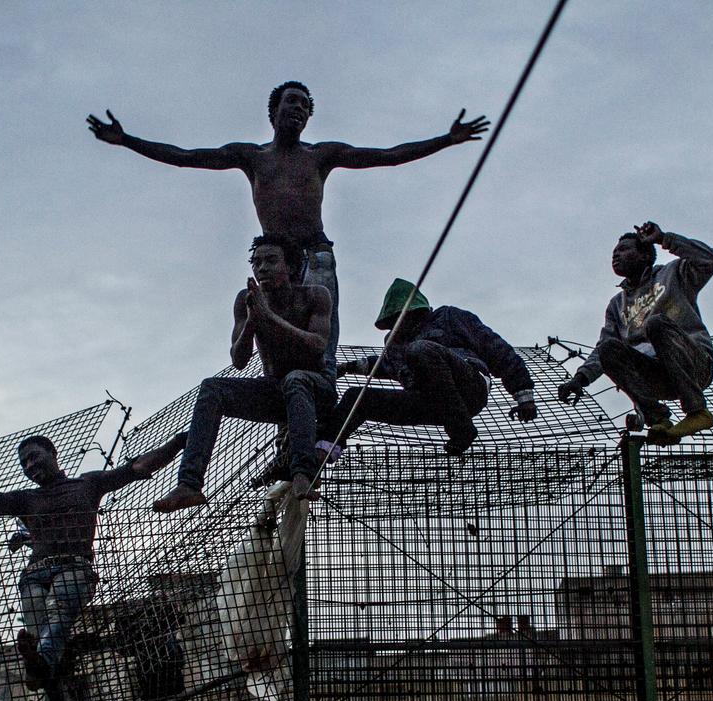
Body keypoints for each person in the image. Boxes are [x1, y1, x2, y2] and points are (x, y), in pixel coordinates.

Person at [87, 82, 489, 379]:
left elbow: (386, 156)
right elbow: (186, 157)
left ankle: (325, 384)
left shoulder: (320, 155)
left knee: (321, 330)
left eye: (304, 105)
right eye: (290, 102)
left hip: (314, 252)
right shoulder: (252, 157)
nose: (297, 109)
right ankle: (283, 399)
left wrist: (446, 141)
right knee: (271, 329)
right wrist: (126, 141)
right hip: (276, 260)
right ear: (274, 113)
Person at [0, 415, 185, 696]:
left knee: (59, 608)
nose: (30, 465)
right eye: (24, 463)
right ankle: (43, 664)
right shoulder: (25, 499)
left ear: (52, 453)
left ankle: (40, 665)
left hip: (75, 567)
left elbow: (138, 467)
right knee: (38, 620)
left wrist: (180, 441)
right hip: (34, 573)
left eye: (34, 457)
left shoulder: (87, 484)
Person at [153, 237, 334, 512]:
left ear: (291, 266)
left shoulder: (315, 295)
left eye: (271, 260)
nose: (262, 268)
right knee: (212, 388)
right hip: (274, 391)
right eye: (257, 262)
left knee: (295, 378)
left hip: (315, 389)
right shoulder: (247, 299)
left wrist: (269, 318)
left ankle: (303, 474)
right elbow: (238, 360)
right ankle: (189, 483)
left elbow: (317, 346)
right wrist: (252, 319)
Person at [327, 278, 537, 455]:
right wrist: (347, 368)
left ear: (414, 312)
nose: (396, 327)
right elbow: (384, 365)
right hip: (429, 401)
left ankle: (461, 428)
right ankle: (324, 450)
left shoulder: (449, 317)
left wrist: (524, 396)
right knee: (356, 398)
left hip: (467, 388)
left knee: (420, 350)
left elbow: (498, 350)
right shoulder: (396, 342)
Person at [558, 223, 713, 444]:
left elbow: (710, 259)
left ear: (645, 255)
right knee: (609, 349)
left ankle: (697, 411)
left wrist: (663, 238)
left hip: (692, 365)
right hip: (656, 376)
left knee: (655, 324)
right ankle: (658, 419)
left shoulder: (673, 274)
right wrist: (580, 379)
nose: (616, 255)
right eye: (614, 252)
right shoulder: (617, 305)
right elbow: (602, 349)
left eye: (624, 249)